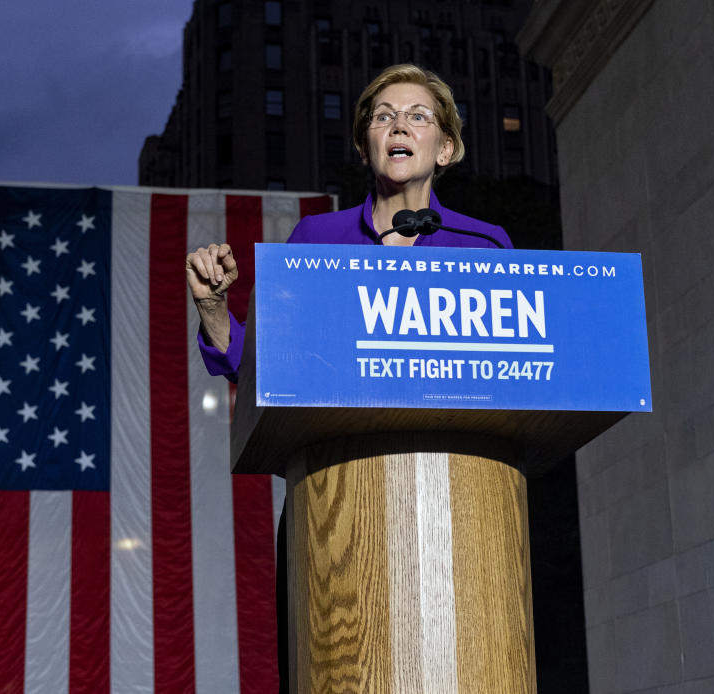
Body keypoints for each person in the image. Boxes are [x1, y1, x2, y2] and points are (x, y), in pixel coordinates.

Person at [184, 63, 513, 690]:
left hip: (461, 500)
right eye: (383, 116)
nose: (398, 125)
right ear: (365, 142)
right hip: (334, 500)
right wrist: (213, 310)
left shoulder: (485, 246)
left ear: (445, 148)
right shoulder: (317, 240)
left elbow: (518, 369)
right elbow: (265, 371)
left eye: (419, 115)